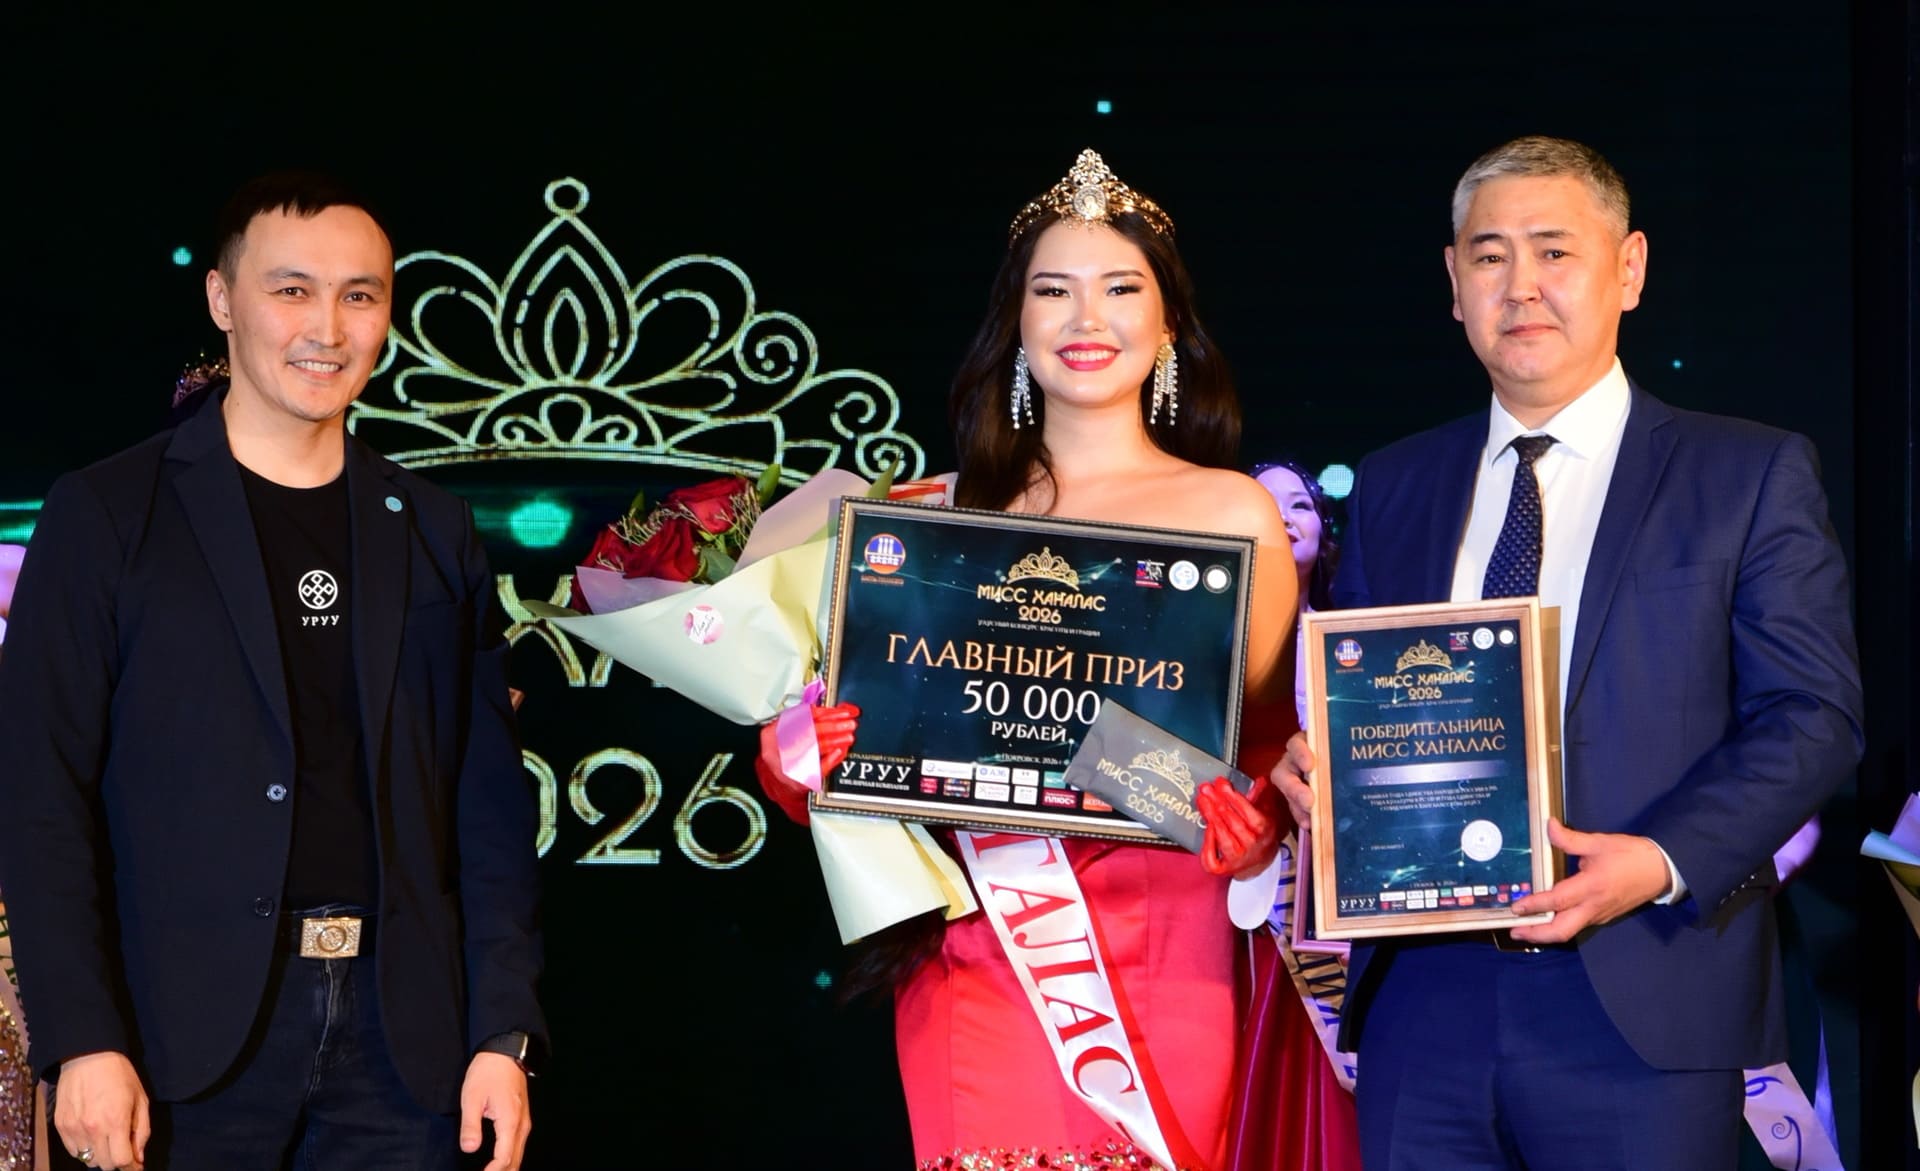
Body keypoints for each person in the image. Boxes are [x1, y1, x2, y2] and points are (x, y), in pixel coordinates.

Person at [1270, 135, 1864, 1170]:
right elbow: (1358, 700)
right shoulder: (1398, 482)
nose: (1521, 285)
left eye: (1554, 252)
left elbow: (1815, 717)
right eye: (1489, 255)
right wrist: (1319, 769)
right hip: (1425, 1002)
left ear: (1628, 269)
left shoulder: (1747, 471)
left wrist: (1660, 860)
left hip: (1644, 991)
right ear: (1454, 282)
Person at [758, 150, 1302, 1169]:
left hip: (1167, 949)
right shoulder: (931, 519)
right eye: (1054, 291)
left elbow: (1270, 747)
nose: (1086, 318)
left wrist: (1254, 830)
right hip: (980, 944)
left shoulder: (1231, 515)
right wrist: (798, 753)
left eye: (1120, 289)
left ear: (1169, 324)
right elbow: (861, 749)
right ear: (1016, 322)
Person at [0, 172, 545, 1171]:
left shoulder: (435, 528)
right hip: (174, 1043)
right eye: (291, 290)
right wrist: (82, 1036)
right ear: (222, 299)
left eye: (359, 295)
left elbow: (488, 807)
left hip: (405, 1050)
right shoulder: (108, 514)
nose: (326, 330)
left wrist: (501, 1032)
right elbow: (39, 795)